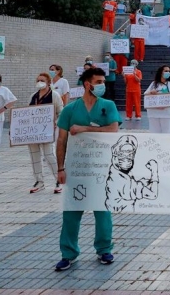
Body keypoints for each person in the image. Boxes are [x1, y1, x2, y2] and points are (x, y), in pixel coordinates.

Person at [54, 67, 120, 271]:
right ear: (87, 84)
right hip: (76, 169)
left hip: (101, 168)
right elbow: (62, 140)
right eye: (98, 82)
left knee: (102, 211)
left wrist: (84, 128)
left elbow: (113, 129)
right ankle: (68, 253)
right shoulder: (70, 110)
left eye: (103, 82)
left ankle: (104, 249)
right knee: (72, 212)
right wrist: (60, 168)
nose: (102, 85)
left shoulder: (107, 106)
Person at [27, 73, 64, 193]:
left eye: (42, 80)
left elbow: (61, 112)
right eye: (37, 80)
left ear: (48, 82)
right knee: (35, 156)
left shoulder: (54, 95)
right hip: (33, 132)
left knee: (49, 155)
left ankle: (59, 180)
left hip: (48, 131)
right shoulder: (33, 96)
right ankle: (39, 181)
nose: (39, 82)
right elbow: (27, 112)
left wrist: (55, 123)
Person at [144, 65, 170, 134]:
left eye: (169, 71)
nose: (168, 72)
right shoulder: (153, 84)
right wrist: (151, 92)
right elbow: (146, 95)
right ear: (160, 72)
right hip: (154, 113)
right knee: (154, 134)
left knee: (167, 134)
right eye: (166, 71)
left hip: (167, 114)